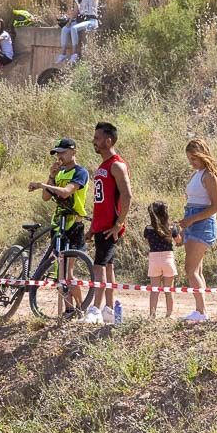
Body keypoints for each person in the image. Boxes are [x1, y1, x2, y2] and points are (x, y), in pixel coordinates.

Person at [27, 138, 90, 315]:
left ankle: (81, 307)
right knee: (60, 273)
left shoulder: (80, 172)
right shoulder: (59, 173)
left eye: (63, 152)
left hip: (74, 223)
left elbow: (66, 191)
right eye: (58, 153)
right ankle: (68, 309)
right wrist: (51, 176)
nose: (60, 156)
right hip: (58, 223)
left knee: (69, 274)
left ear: (73, 152)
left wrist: (41, 185)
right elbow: (46, 198)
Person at [176, 138, 217, 323]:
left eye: (194, 159)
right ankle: (200, 310)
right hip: (192, 220)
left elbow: (216, 207)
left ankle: (201, 311)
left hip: (202, 223)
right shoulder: (197, 174)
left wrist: (191, 220)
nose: (191, 162)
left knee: (190, 269)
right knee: (196, 269)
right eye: (189, 159)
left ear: (203, 156)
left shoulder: (209, 176)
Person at [86, 121, 131, 324]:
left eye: (97, 138)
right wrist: (92, 227)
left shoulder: (116, 164)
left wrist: (119, 224)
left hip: (110, 227)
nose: (94, 141)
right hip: (100, 226)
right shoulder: (102, 165)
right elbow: (100, 201)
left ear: (109, 140)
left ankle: (94, 309)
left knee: (99, 267)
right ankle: (109, 310)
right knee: (108, 268)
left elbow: (127, 195)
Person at [145, 201, 182, 319]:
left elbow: (148, 241)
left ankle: (152, 315)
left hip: (154, 259)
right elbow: (178, 241)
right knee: (168, 289)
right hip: (168, 258)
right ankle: (169, 314)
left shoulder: (148, 228)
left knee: (154, 289)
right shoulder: (171, 228)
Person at [57, 0, 100, 65]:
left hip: (91, 21)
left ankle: (75, 53)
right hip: (81, 20)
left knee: (74, 28)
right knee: (65, 29)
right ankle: (63, 53)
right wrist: (69, 22)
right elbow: (76, 11)